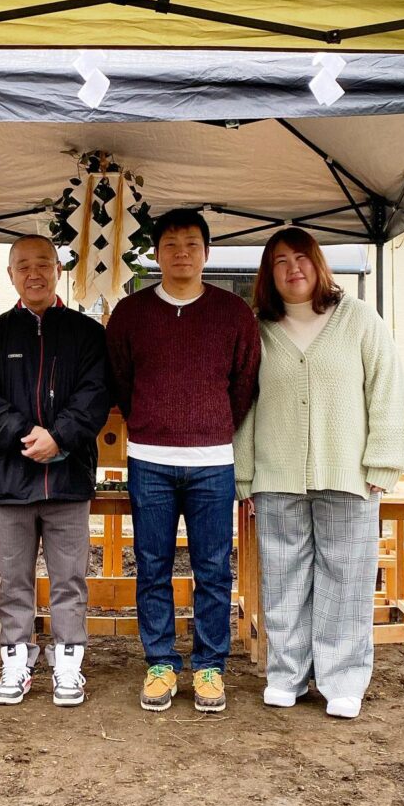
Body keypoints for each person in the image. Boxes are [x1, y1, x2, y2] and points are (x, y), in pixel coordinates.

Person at [234, 228, 404, 719]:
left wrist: (383, 459)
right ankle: (286, 674)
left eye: (302, 258)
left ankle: (342, 680)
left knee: (348, 576)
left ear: (318, 264)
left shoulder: (357, 319)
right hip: (276, 475)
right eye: (280, 262)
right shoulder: (258, 328)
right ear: (268, 274)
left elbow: (386, 388)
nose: (293, 268)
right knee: (283, 577)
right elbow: (245, 405)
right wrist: (245, 474)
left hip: (349, 473)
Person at [106, 208, 260, 713]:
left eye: (192, 244)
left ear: (207, 253)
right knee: (151, 564)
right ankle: (160, 662)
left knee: (213, 567)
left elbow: (244, 384)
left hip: (213, 460)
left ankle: (210, 666)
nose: (181, 254)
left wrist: (214, 425)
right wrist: (151, 422)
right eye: (171, 245)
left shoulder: (233, 313)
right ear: (155, 253)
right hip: (148, 457)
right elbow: (121, 382)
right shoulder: (130, 313)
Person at [0, 235, 109, 707]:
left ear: (58, 269)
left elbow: (94, 397)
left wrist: (60, 437)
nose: (34, 273)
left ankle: (69, 663)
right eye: (23, 266)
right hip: (10, 482)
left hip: (68, 481)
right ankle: (16, 660)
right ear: (10, 275)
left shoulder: (87, 335)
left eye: (43, 264)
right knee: (13, 580)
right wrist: (28, 435)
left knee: (71, 578)